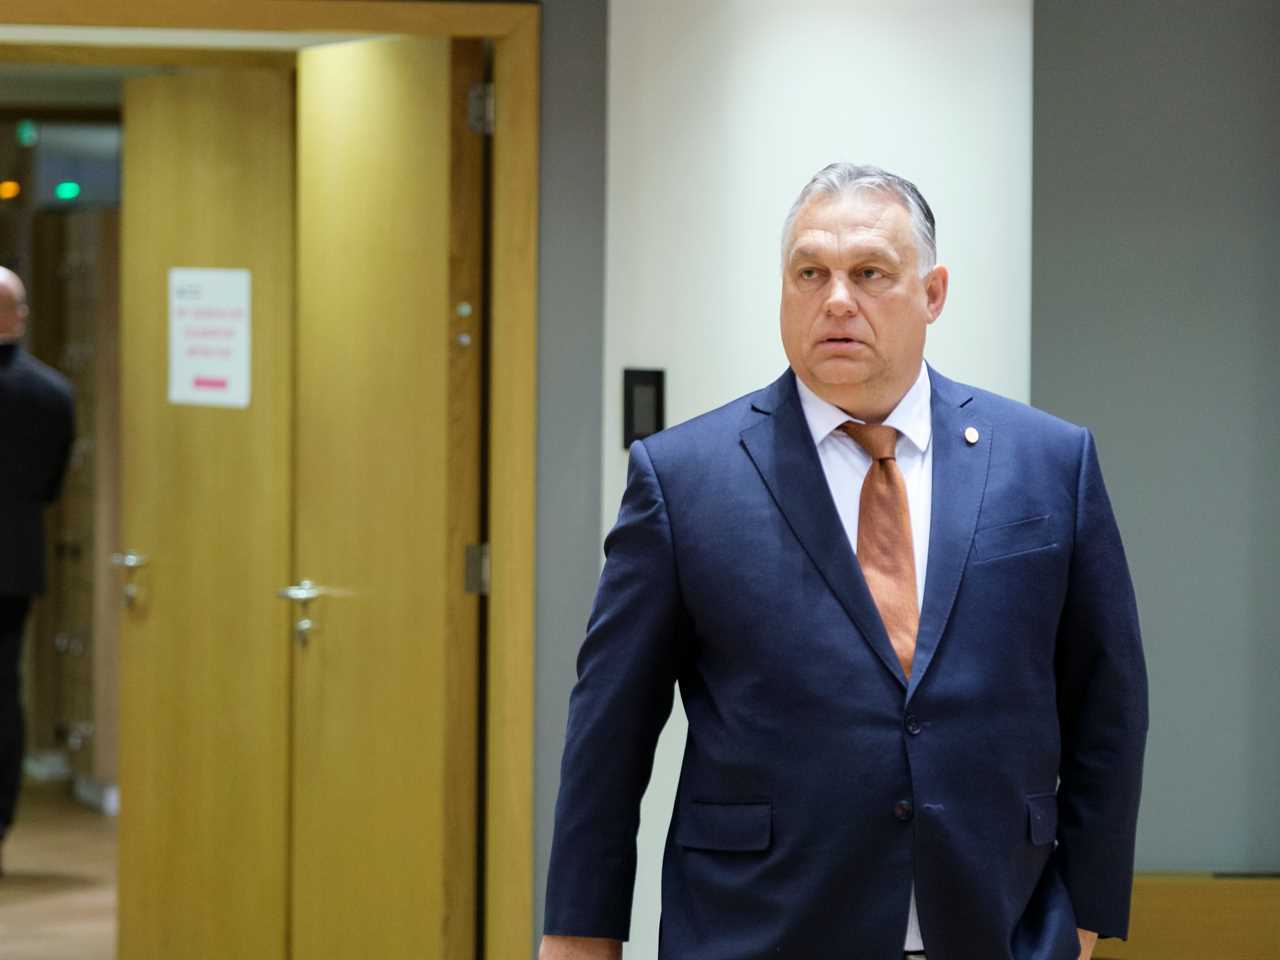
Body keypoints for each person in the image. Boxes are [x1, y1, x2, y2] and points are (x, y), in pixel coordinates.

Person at [540, 164, 1147, 960]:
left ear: (932, 294)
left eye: (868, 274)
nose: (835, 300)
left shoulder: (1047, 461)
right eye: (809, 274)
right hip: (757, 931)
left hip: (1002, 927)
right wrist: (580, 937)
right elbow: (608, 734)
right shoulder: (685, 479)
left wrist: (1086, 912)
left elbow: (1109, 699)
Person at [0, 266, 74, 877]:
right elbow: (51, 486)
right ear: (19, 315)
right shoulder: (52, 394)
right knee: (4, 695)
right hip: (12, 566)